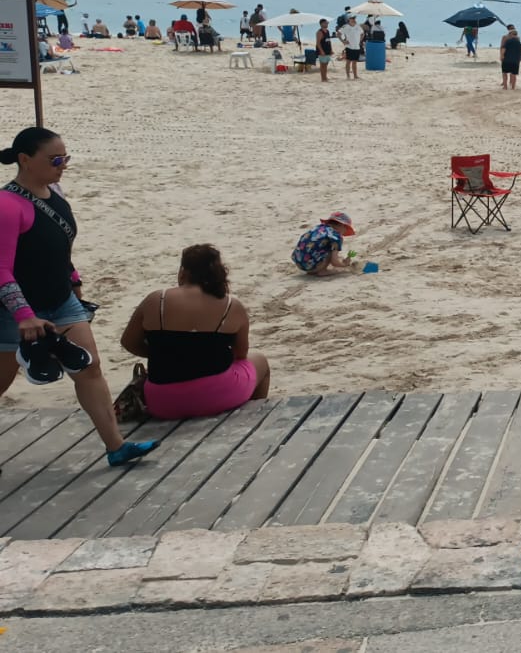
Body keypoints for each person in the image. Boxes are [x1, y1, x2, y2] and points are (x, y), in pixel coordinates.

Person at [0, 127, 160, 466]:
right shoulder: (6, 205)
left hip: (61, 301)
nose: (63, 165)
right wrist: (24, 315)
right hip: (14, 310)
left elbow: (58, 245)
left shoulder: (53, 192)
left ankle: (116, 446)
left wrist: (74, 281)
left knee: (90, 368)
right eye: (55, 159)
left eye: (65, 158)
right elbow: (1, 269)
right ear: (25, 161)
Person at [120, 244, 269, 420]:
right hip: (216, 396)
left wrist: (164, 354)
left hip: (162, 401)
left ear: (183, 271)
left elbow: (128, 341)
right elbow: (240, 353)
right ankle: (254, 418)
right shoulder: (231, 306)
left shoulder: (156, 300)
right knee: (260, 361)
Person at [292, 211, 357, 275]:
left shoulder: (318, 228)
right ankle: (323, 270)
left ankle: (312, 269)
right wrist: (344, 264)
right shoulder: (336, 236)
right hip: (312, 266)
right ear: (342, 225)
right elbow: (334, 262)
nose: (344, 232)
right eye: (346, 229)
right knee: (329, 251)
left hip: (299, 264)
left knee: (320, 246)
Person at [500, 25, 521, 90]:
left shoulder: (509, 38)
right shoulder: (506, 37)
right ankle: (509, 85)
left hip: (508, 57)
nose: (513, 29)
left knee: (507, 72)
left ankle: (508, 85)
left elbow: (503, 47)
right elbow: (502, 47)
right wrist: (501, 55)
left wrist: (502, 55)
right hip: (513, 58)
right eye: (512, 28)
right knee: (512, 73)